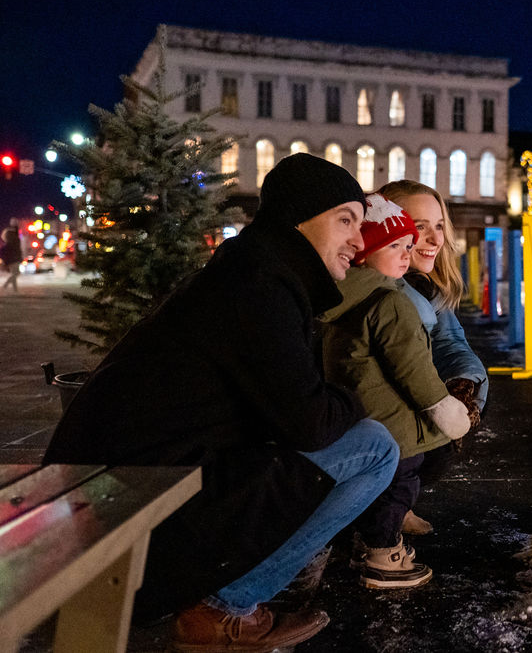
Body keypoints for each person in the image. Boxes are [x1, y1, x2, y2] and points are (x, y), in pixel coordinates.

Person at [42, 153, 399, 652]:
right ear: (298, 218)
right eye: (346, 221)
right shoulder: (260, 286)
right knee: (376, 447)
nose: (359, 243)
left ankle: (224, 598)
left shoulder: (253, 272)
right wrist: (353, 397)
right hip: (127, 513)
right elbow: (312, 423)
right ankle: (223, 608)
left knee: (339, 442)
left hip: (122, 491)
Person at [321, 194, 471, 588]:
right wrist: (446, 409)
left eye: (407, 246)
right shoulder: (391, 302)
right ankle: (384, 556)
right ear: (364, 252)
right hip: (395, 424)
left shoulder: (339, 297)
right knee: (400, 486)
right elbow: (413, 370)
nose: (406, 255)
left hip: (358, 414)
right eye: (394, 246)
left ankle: (366, 543)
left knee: (373, 488)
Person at [376, 180, 489, 535]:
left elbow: (450, 343)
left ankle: (396, 502)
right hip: (370, 413)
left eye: (439, 226)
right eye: (419, 226)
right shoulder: (381, 287)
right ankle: (381, 518)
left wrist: (465, 384)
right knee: (428, 427)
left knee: (456, 413)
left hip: (401, 405)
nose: (435, 238)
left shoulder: (425, 287)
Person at [1, 218, 22, 292]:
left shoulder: (12, 239)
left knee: (14, 274)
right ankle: (5, 285)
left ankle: (15, 290)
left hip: (13, 259)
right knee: (16, 273)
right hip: (13, 259)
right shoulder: (11, 240)